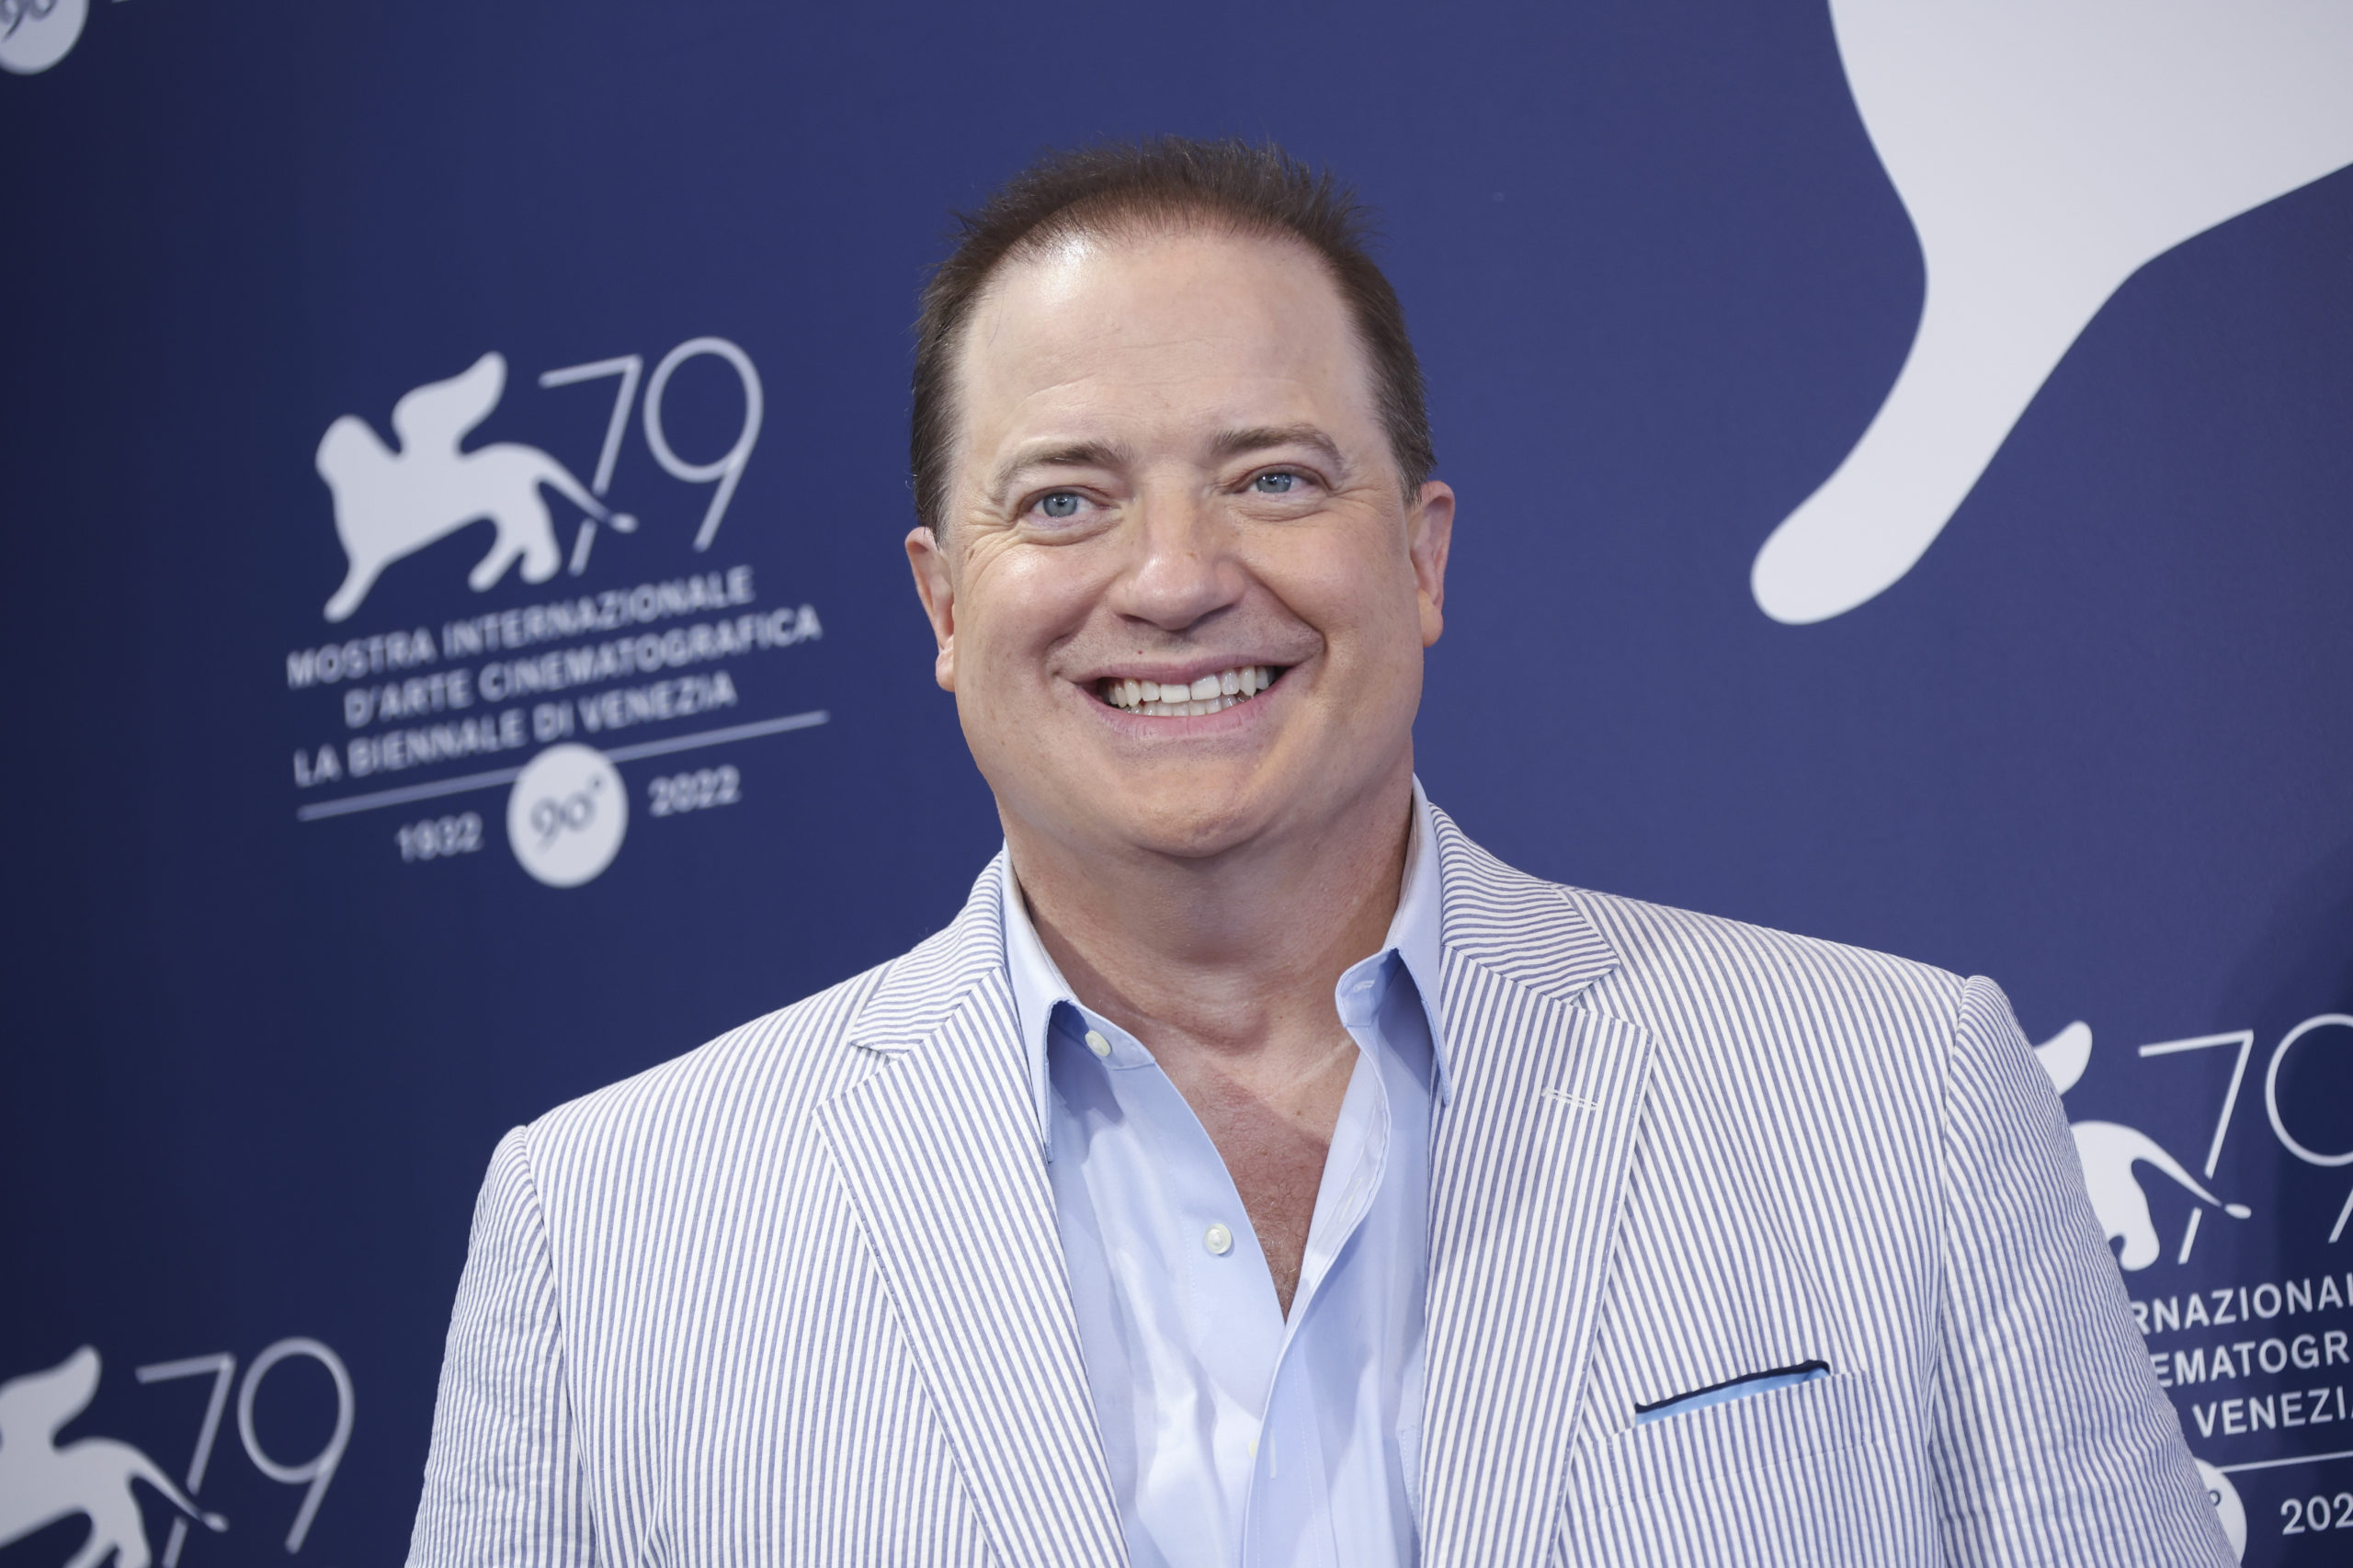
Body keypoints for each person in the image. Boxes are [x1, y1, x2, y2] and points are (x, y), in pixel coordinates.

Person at [407, 139, 2229, 1568]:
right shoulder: (602, 1233)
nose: (1178, 570)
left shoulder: (1892, 1094)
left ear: (1420, 558)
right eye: (1064, 496)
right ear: (942, 599)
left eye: (1274, 473)